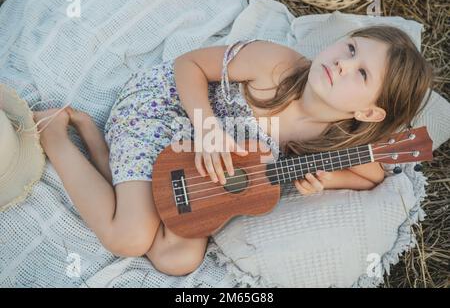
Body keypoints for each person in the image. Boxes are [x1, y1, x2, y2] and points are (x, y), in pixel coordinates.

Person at [33, 25, 434, 276]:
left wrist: (328, 178)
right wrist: (207, 128)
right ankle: (55, 136)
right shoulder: (275, 65)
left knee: (179, 259)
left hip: (195, 168)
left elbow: (373, 175)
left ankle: (104, 156)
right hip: (170, 114)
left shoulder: (334, 135)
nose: (344, 64)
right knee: (130, 237)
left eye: (362, 72)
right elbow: (188, 64)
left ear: (367, 112)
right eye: (350, 48)